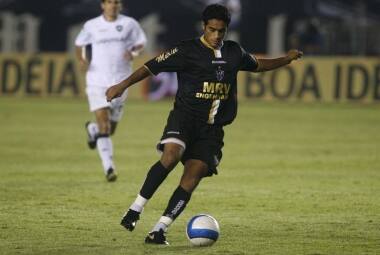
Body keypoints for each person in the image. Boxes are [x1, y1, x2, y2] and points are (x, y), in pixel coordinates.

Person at [106, 4, 302, 244]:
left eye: (222, 31)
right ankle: (135, 209)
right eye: (212, 30)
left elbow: (259, 65)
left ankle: (159, 230)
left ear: (227, 29)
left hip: (212, 130)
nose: (217, 35)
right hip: (184, 118)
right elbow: (151, 66)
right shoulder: (186, 50)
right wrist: (121, 86)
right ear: (204, 27)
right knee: (171, 156)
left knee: (192, 177)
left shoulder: (234, 52)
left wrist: (287, 59)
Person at [75, 0, 147, 182]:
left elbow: (141, 43)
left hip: (121, 82)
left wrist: (134, 53)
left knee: (109, 129)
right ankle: (109, 168)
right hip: (97, 81)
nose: (113, 5)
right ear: (103, 5)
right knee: (105, 126)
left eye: (116, 2)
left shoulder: (129, 24)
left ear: (120, 5)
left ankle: (92, 130)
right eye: (109, 2)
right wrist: (83, 60)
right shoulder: (92, 25)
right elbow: (79, 44)